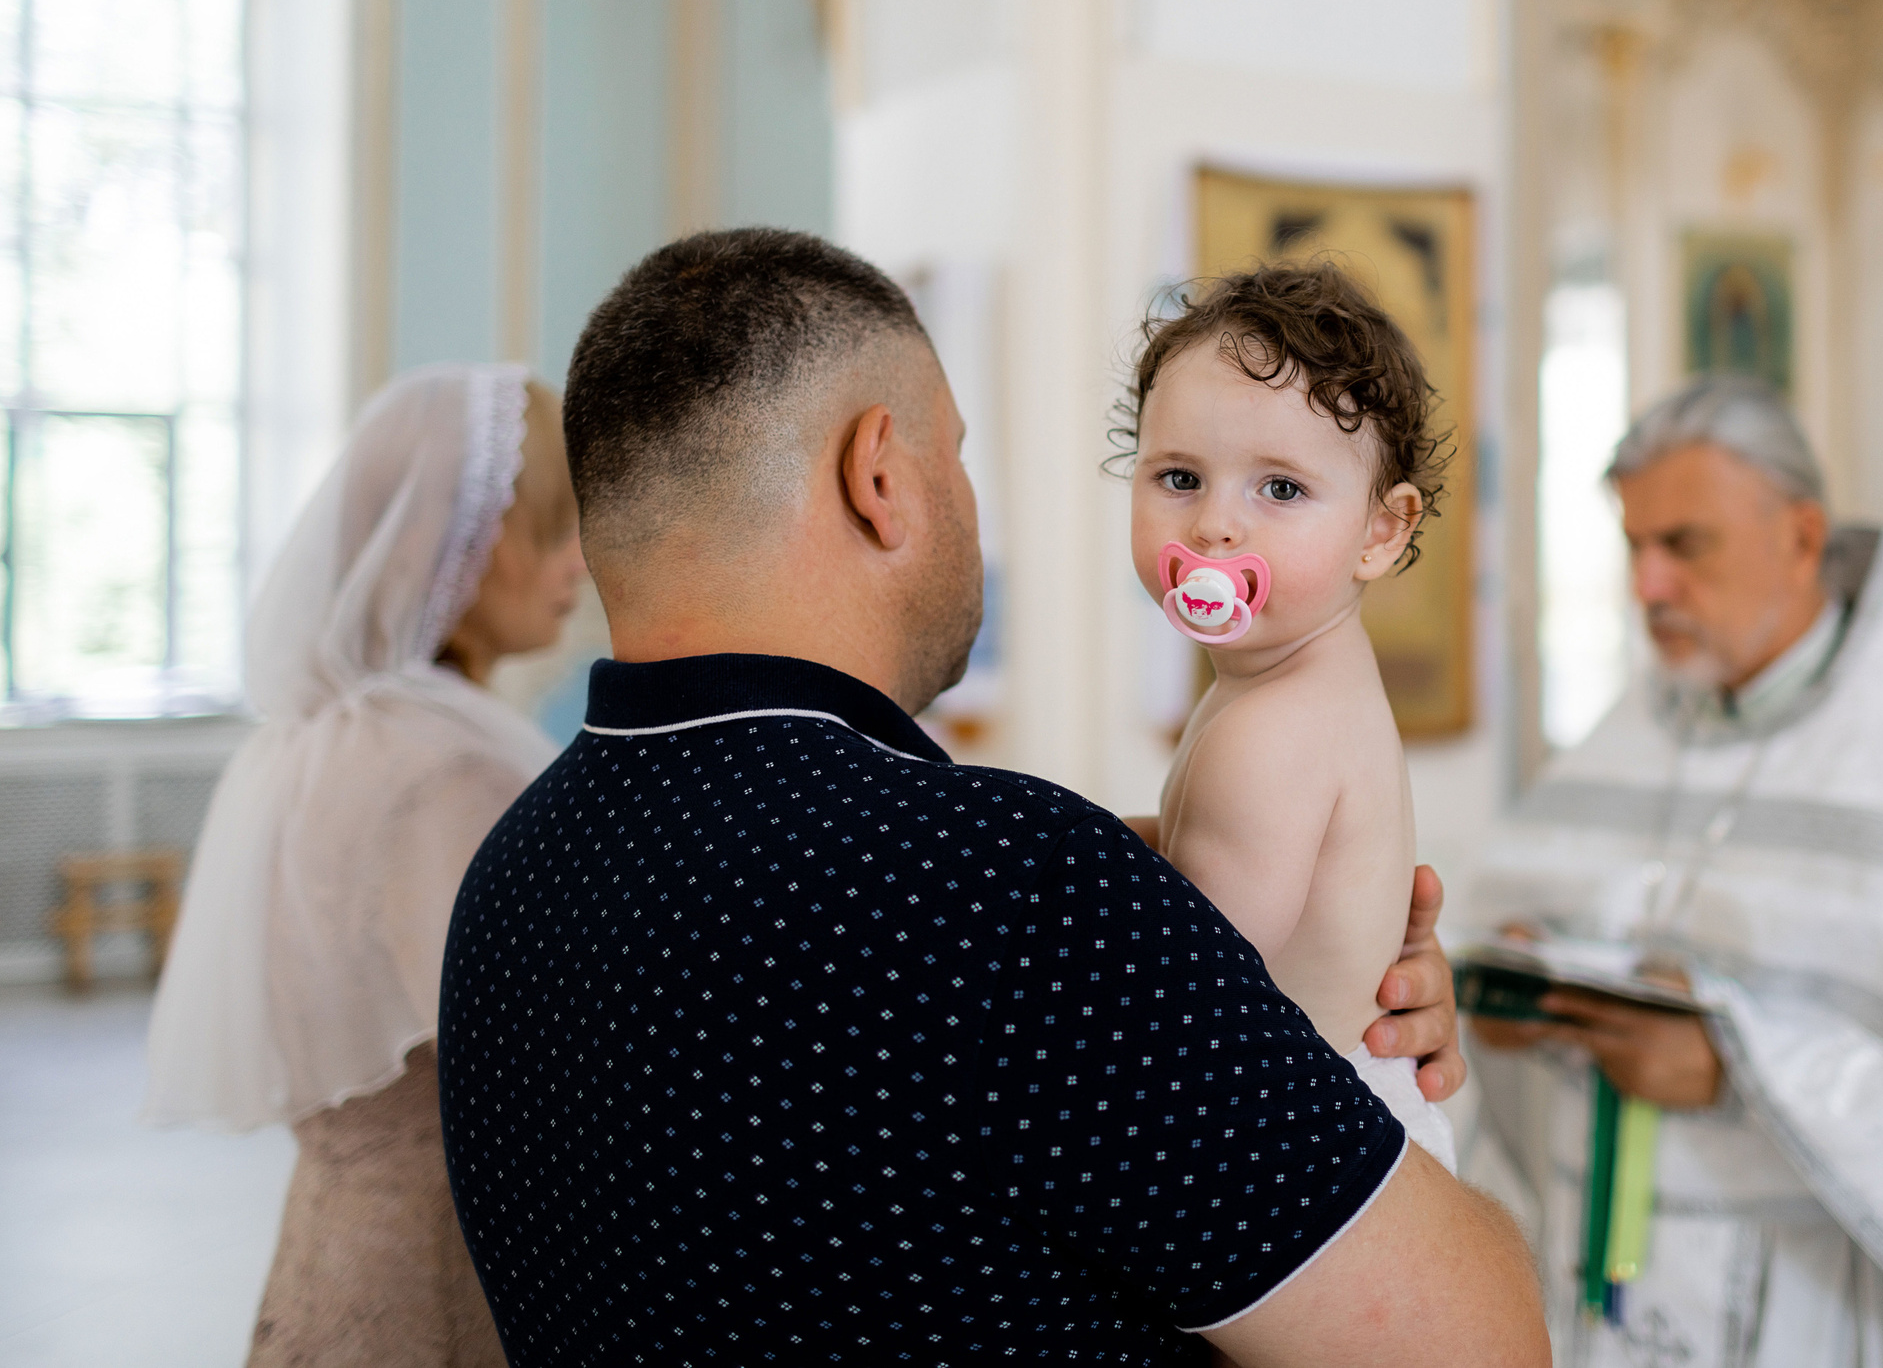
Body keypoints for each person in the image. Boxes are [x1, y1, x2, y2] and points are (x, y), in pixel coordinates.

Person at [437, 229, 1545, 1368]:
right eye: (957, 452)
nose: (1214, 519)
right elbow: (1481, 1340)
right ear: (880, 477)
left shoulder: (512, 880)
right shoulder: (1008, 889)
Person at [1465, 377, 1883, 1368]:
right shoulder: (1635, 731)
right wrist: (1509, 993)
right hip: (1588, 1285)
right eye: (1634, 548)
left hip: (1801, 1302)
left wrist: (1734, 1066)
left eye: (1684, 546)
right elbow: (1519, 931)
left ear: (1798, 535)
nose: (1646, 587)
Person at [145, 364, 586, 1368]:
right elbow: (540, 1069)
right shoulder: (444, 765)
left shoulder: (319, 741)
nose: (582, 564)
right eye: (555, 528)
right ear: (457, 543)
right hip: (431, 1290)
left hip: (327, 1249)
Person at [1128, 263, 1457, 1168]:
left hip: (1304, 1137)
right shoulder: (1289, 682)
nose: (1214, 527)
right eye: (1180, 476)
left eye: (1279, 489)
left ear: (1380, 533)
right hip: (1333, 1095)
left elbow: (1180, 980)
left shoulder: (1273, 728)